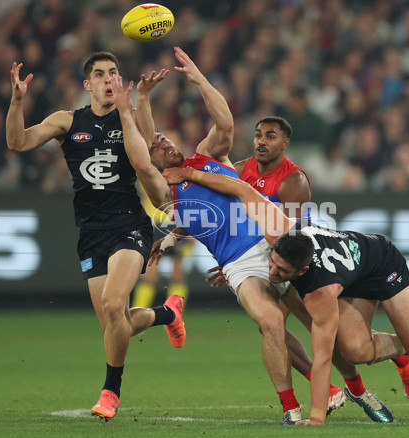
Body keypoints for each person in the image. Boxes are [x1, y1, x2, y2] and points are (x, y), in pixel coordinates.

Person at [110, 47, 393, 424]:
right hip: (240, 265)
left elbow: (225, 125)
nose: (165, 142)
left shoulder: (206, 156)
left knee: (325, 329)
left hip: (274, 245)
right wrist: (136, 104)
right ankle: (291, 408)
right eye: (158, 144)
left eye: (165, 137)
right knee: (272, 323)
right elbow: (143, 154)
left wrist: (199, 80)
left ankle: (356, 388)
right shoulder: (166, 191)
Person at [161, 165, 409, 426]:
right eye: (272, 264)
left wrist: (317, 418)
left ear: (302, 273)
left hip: (380, 263)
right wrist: (190, 175)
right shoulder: (278, 231)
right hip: (349, 272)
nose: (272, 274)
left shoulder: (319, 294)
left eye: (280, 273)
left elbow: (323, 359)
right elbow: (242, 189)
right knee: (356, 350)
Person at [5, 52, 187, 422]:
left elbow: (148, 150)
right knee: (114, 325)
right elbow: (17, 143)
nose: (109, 79)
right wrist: (17, 101)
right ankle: (167, 313)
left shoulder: (129, 118)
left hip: (129, 225)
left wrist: (142, 101)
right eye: (101, 74)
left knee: (112, 305)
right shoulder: (67, 121)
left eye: (114, 73)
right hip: (90, 232)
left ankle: (110, 393)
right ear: (87, 85)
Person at [204, 116, 409, 416]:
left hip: (295, 262)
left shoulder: (294, 181)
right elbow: (221, 210)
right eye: (257, 135)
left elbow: (289, 237)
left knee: (332, 338)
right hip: (260, 258)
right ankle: (346, 391)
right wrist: (234, 256)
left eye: (270, 136)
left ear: (285, 143)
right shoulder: (241, 170)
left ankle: (392, 361)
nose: (261, 141)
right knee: (272, 327)